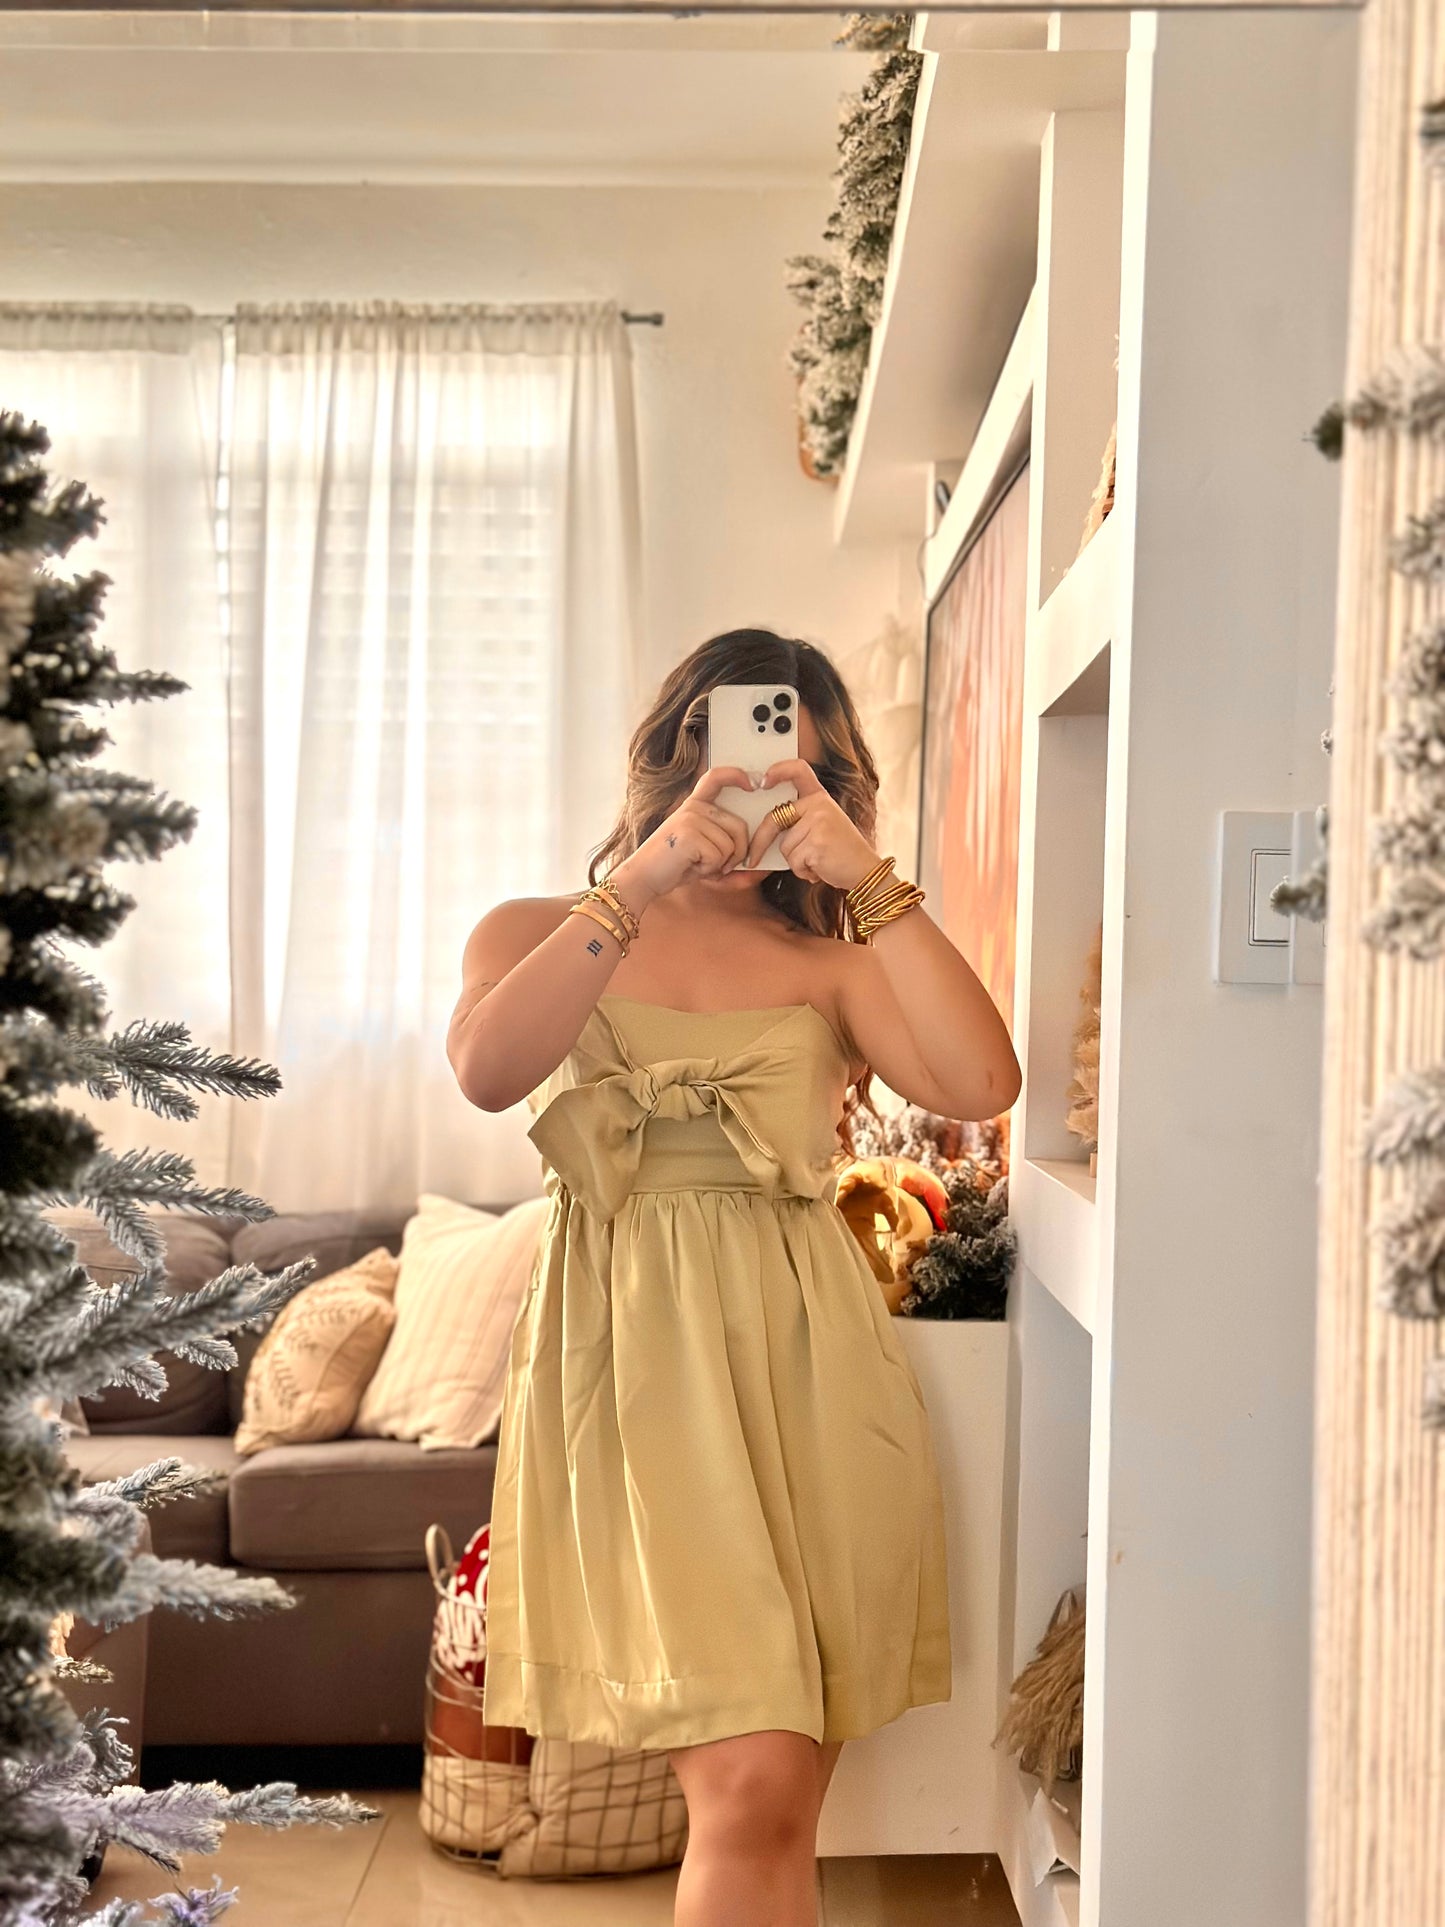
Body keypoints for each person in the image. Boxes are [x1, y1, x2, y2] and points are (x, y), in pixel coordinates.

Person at [446, 628, 1021, 1927]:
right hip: (629, 1373)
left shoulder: (836, 960)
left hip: (809, 1370)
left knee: (777, 1802)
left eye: (795, 775)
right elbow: (488, 1071)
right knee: (754, 1780)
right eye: (741, 763)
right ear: (674, 757)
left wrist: (868, 880)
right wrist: (643, 879)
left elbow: (982, 1082)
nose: (760, 794)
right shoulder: (537, 931)